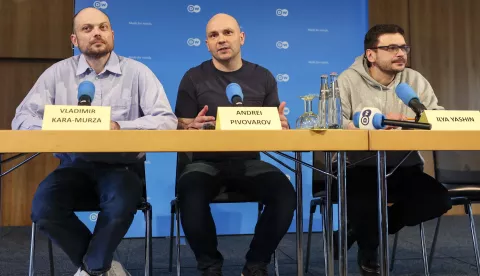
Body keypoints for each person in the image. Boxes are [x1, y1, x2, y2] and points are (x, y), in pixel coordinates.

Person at [12, 7, 177, 276]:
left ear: (112, 33)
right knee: (43, 209)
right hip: (73, 165)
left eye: (102, 27)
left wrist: (119, 127)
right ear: (74, 40)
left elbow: (166, 120)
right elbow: (22, 119)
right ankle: (102, 268)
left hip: (121, 167)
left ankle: (91, 269)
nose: (96, 33)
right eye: (87, 29)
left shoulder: (137, 72)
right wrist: (56, 126)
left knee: (120, 204)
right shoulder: (57, 73)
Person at [174, 13, 296, 276]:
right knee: (190, 191)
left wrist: (279, 125)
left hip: (249, 162)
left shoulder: (262, 76)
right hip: (204, 162)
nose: (221, 40)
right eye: (214, 35)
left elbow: (273, 127)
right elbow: (181, 124)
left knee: (285, 194)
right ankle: (209, 266)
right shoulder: (193, 78)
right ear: (206, 44)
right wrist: (188, 125)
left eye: (227, 33)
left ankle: (255, 264)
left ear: (241, 37)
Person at [335, 23, 452, 275]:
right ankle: (369, 253)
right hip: (358, 166)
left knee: (438, 200)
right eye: (391, 48)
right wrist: (367, 130)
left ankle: (364, 230)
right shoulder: (346, 80)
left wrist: (412, 122)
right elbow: (335, 122)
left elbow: (436, 115)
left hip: (404, 166)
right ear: (371, 55)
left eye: (403, 47)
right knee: (364, 203)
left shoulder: (413, 80)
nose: (400, 53)